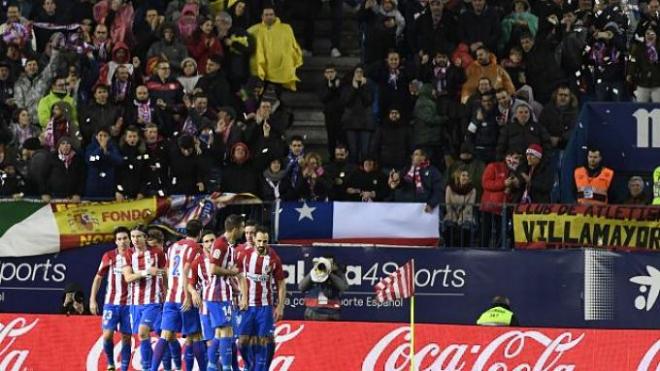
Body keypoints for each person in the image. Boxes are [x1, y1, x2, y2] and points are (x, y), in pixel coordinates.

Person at [150, 219, 206, 371]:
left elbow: (167, 271)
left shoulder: (173, 247)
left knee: (165, 335)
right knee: (196, 336)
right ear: (200, 233)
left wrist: (169, 289)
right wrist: (189, 295)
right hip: (186, 298)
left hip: (171, 297)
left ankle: (152, 369)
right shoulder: (196, 248)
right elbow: (188, 271)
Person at [237, 226, 286, 371]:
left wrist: (280, 306)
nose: (261, 244)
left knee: (264, 340)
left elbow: (281, 284)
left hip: (265, 306)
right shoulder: (244, 254)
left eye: (264, 241)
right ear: (254, 240)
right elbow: (238, 275)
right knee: (243, 341)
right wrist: (242, 296)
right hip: (247, 306)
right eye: (259, 241)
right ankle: (248, 364)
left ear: (268, 241)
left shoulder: (273, 258)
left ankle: (264, 368)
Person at [122, 226, 167, 371]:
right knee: (152, 335)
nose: (135, 240)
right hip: (135, 303)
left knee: (143, 332)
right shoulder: (128, 254)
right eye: (133, 236)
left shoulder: (156, 253)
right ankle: (166, 364)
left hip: (153, 301)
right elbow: (128, 277)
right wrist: (146, 272)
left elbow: (163, 273)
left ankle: (149, 368)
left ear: (145, 238)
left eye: (138, 236)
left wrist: (167, 293)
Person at [89, 227, 133, 371]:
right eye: (119, 239)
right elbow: (98, 278)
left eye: (125, 238)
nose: (122, 241)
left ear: (130, 239)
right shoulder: (109, 256)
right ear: (115, 241)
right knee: (107, 335)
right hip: (111, 304)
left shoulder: (136, 255)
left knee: (126, 337)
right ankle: (111, 363)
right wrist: (92, 299)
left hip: (130, 304)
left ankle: (124, 368)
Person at [204, 214, 244, 371]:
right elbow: (212, 269)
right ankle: (226, 368)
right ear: (234, 229)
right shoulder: (220, 244)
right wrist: (231, 272)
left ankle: (212, 367)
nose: (242, 230)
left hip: (222, 294)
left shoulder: (227, 245)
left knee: (221, 333)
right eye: (241, 227)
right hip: (216, 295)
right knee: (226, 331)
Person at [248, 5, 303, 91]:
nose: (269, 17)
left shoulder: (286, 28)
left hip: (281, 69)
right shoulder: (254, 29)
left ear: (275, 15)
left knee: (275, 96)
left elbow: (292, 45)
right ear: (262, 16)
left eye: (271, 14)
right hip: (263, 70)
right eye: (266, 15)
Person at [299, 256, 348, 321]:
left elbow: (344, 287)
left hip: (331, 313)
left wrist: (330, 273)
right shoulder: (314, 271)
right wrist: (314, 272)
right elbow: (301, 287)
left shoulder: (337, 272)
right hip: (313, 312)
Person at [444, 168, 477, 247]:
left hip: (466, 215)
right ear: (458, 176)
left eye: (467, 176)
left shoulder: (472, 189)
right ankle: (449, 249)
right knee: (449, 225)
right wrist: (455, 217)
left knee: (466, 226)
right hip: (451, 214)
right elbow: (448, 204)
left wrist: (460, 219)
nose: (466, 177)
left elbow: (469, 206)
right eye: (463, 175)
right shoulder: (449, 188)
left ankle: (465, 250)